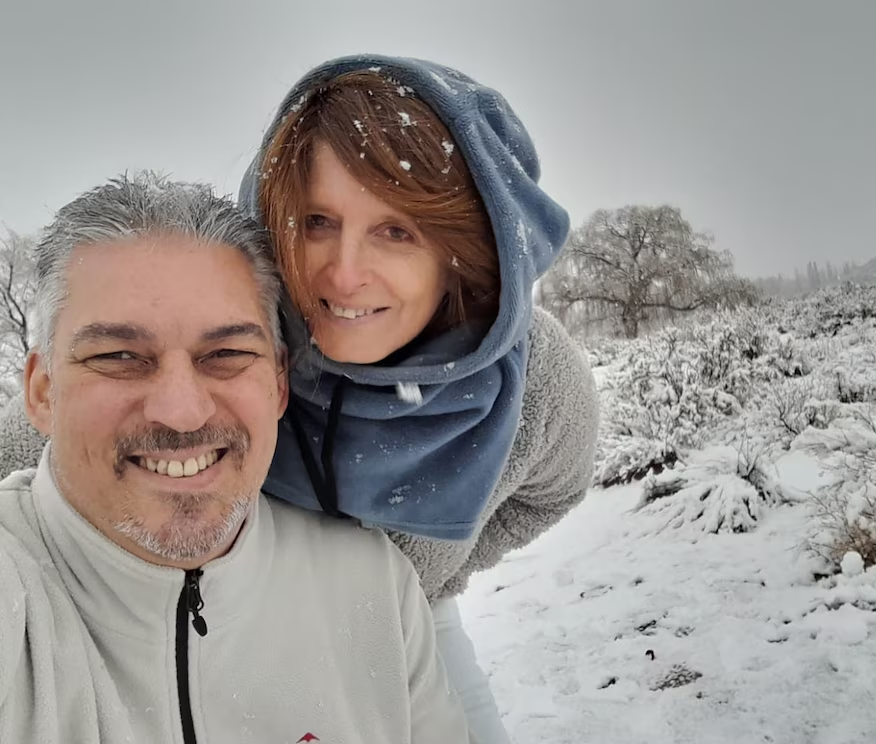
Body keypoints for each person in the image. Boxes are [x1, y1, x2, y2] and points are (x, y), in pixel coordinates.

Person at [0, 54, 600, 742]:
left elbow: (553, 491)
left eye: (396, 231)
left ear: (462, 248)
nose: (343, 274)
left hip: (404, 621)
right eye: (316, 221)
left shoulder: (532, 380)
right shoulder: (232, 321)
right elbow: (58, 448)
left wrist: (425, 576)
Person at [0, 174, 471, 744]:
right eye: (120, 356)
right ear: (42, 391)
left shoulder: (373, 585)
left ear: (279, 383)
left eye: (225, 353)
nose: (182, 411)